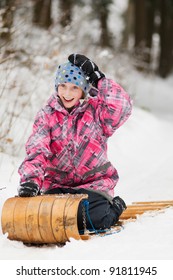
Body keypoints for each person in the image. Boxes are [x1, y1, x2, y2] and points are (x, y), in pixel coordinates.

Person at [18, 54, 132, 232]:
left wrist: (99, 79)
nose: (67, 93)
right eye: (63, 86)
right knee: (49, 220)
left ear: (84, 90)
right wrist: (31, 180)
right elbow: (37, 147)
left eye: (74, 87)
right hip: (57, 187)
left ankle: (115, 207)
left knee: (94, 221)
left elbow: (122, 107)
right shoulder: (47, 115)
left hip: (92, 186)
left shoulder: (96, 112)